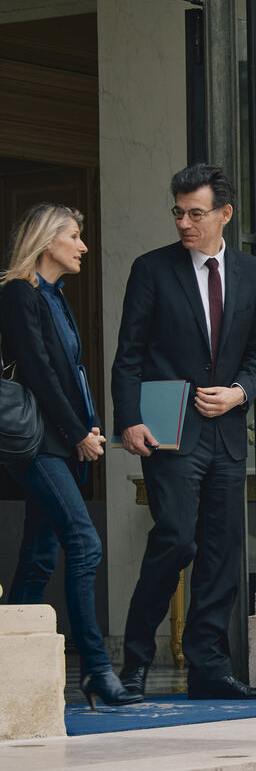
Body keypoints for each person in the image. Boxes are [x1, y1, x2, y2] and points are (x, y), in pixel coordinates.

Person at [112, 164, 256, 701]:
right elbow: (129, 355)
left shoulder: (253, 273)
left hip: (226, 433)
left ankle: (209, 669)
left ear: (224, 214)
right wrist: (129, 418)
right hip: (170, 433)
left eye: (195, 213)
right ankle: (135, 662)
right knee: (176, 538)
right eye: (178, 212)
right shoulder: (151, 269)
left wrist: (239, 392)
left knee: (222, 551)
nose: (184, 222)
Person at [0, 203, 140, 709]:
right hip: (40, 444)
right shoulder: (19, 294)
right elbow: (38, 372)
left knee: (38, 556)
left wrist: (90, 425)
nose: (83, 246)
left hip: (62, 442)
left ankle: (9, 664)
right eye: (75, 236)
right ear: (46, 240)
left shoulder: (56, 298)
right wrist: (77, 431)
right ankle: (98, 670)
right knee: (84, 542)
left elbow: (69, 372)